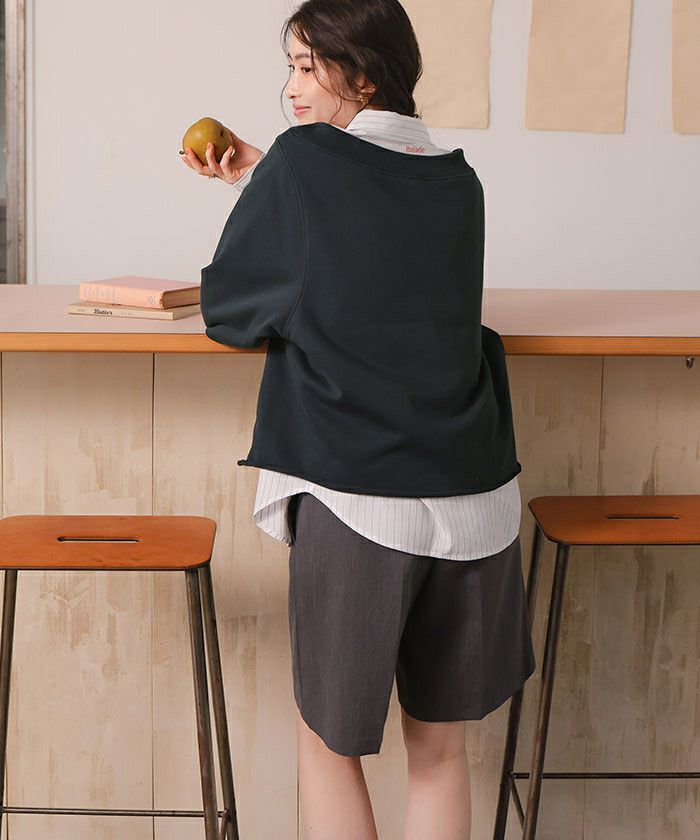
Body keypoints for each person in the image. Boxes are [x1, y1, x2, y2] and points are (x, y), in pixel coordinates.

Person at [183, 2, 536, 838]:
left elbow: (231, 308)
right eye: (291, 65)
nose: (291, 86)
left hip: (359, 496)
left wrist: (269, 185)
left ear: (366, 75)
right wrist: (267, 179)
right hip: (474, 498)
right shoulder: (457, 178)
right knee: (441, 753)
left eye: (309, 66)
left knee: (327, 748)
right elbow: (367, 245)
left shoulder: (303, 161)